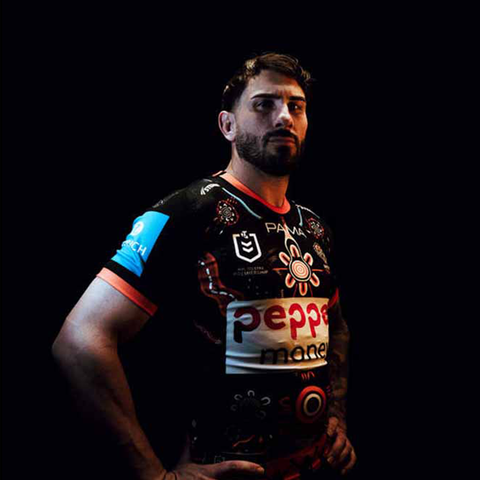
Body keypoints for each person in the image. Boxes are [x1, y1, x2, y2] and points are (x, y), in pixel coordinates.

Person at [52, 52, 357, 479]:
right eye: (264, 104)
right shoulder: (187, 213)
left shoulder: (315, 227)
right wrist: (152, 475)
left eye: (296, 106)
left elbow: (335, 325)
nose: (284, 117)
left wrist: (336, 418)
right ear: (227, 125)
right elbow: (80, 340)